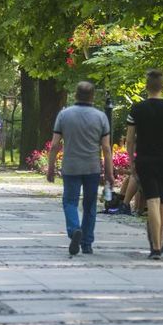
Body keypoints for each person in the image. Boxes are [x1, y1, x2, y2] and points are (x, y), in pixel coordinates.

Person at [46, 81, 115, 256]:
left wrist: (51, 167)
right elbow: (106, 148)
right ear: (92, 96)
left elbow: (54, 145)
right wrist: (109, 172)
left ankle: (74, 229)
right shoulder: (101, 117)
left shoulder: (64, 115)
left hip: (71, 167)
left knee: (69, 201)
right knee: (90, 205)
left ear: (75, 94)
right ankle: (87, 243)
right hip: (92, 167)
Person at [125, 69, 163, 259]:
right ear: (162, 86)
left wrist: (132, 161)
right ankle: (162, 237)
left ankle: (155, 246)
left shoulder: (137, 109)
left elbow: (130, 140)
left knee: (152, 201)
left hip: (145, 159)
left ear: (146, 87)